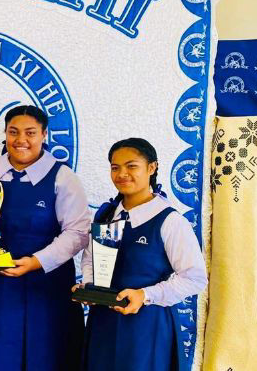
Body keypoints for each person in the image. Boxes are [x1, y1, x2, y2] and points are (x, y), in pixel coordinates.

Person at [0, 105, 89, 371]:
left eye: (30, 132)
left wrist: (36, 261)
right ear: (5, 134)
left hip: (47, 287)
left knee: (47, 356)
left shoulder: (62, 177)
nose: (21, 140)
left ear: (44, 135)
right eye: (14, 132)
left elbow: (78, 232)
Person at [78, 138, 207, 371]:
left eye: (131, 166)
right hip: (103, 324)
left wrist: (145, 295)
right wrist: (89, 286)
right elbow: (90, 257)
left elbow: (194, 278)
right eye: (115, 167)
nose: (122, 174)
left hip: (147, 327)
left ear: (152, 168)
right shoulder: (107, 215)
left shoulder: (169, 220)